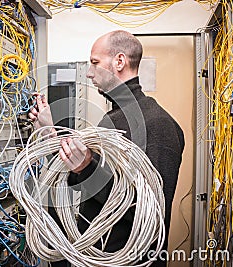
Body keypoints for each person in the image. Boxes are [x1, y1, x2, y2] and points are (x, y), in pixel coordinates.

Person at [29, 30, 184, 267]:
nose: (89, 73)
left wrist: (87, 166)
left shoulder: (157, 125)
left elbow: (149, 214)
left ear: (119, 61)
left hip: (129, 260)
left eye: (95, 63)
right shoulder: (115, 118)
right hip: (98, 255)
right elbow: (90, 180)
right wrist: (51, 133)